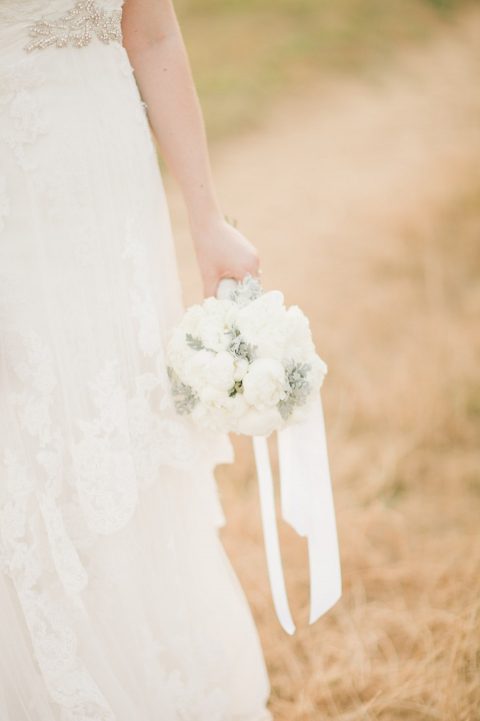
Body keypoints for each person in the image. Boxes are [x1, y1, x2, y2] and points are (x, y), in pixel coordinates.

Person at [0, 0, 273, 719]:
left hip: (110, 185)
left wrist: (207, 218)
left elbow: (150, 32)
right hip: (12, 197)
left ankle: (152, 677)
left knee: (122, 422)